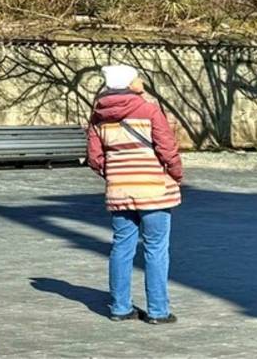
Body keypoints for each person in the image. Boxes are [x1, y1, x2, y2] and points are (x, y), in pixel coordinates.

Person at [88, 63, 184, 325]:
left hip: (119, 191)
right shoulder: (149, 110)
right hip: (153, 189)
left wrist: (115, 174)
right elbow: (167, 148)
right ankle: (158, 311)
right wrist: (176, 174)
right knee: (156, 249)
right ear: (130, 83)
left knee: (121, 247)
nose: (141, 80)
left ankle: (120, 307)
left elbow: (95, 157)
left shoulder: (98, 115)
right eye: (138, 77)